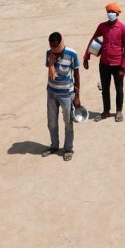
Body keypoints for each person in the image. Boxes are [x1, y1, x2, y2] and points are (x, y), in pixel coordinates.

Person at [85, 3, 125, 122]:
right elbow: (93, 40)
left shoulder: (123, 29)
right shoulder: (102, 26)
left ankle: (119, 111)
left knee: (119, 89)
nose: (110, 14)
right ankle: (106, 111)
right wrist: (86, 56)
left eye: (112, 12)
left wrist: (123, 67)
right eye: (108, 12)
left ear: (117, 14)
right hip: (104, 63)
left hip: (117, 64)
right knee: (105, 88)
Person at [44, 32, 80, 160]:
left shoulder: (72, 53)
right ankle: (54, 146)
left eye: (56, 48)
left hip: (66, 94)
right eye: (52, 48)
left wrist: (77, 96)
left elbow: (76, 74)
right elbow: (50, 69)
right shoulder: (49, 52)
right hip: (51, 93)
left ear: (61, 44)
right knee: (51, 122)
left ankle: (68, 148)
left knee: (68, 122)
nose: (55, 51)